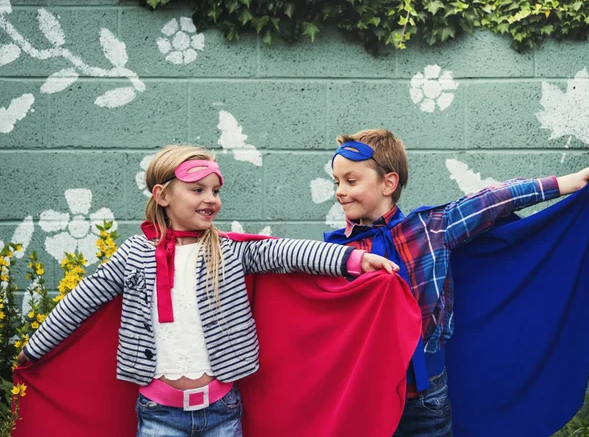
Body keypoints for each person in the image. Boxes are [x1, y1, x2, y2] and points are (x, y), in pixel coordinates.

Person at [17, 144, 398, 437]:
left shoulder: (229, 251)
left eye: (215, 190)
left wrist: (354, 262)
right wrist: (31, 352)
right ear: (162, 196)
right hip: (157, 413)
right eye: (197, 189)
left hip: (222, 409)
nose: (210, 199)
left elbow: (286, 251)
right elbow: (80, 302)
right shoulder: (134, 255)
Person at [323, 128, 589, 437]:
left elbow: (493, 199)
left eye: (351, 181)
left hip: (426, 399)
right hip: (367, 397)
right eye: (337, 182)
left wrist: (563, 184)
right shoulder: (339, 254)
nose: (339, 191)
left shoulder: (431, 230)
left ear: (388, 182)